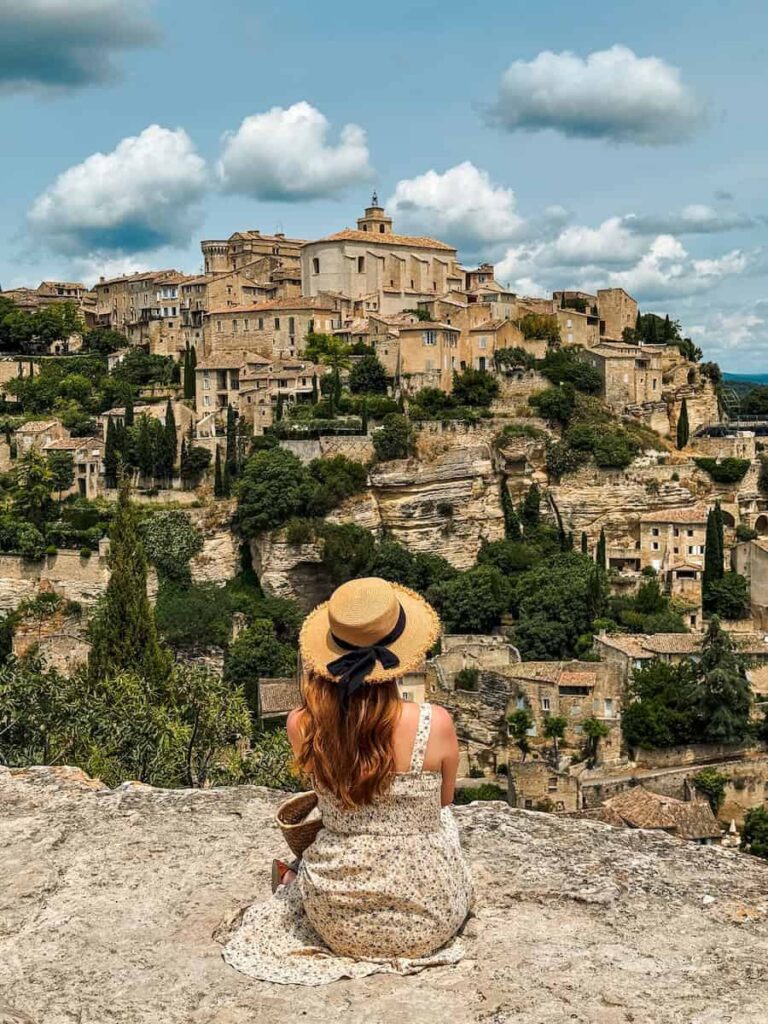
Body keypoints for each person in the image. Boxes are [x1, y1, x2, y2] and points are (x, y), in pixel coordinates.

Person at [223, 577, 474, 985]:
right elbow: (443, 803)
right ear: (400, 656)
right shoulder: (435, 723)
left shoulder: (302, 724)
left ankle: (291, 878)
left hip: (336, 920)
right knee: (446, 827)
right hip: (429, 919)